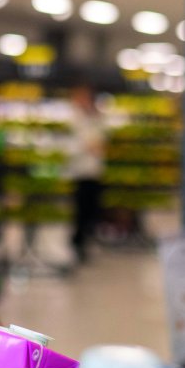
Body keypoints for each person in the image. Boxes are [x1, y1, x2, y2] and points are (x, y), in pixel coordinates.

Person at [64, 86, 106, 263]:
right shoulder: (73, 118)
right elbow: (74, 145)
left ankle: (84, 241)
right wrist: (88, 146)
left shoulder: (94, 117)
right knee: (80, 211)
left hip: (94, 172)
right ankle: (77, 242)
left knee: (91, 210)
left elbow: (101, 138)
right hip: (79, 172)